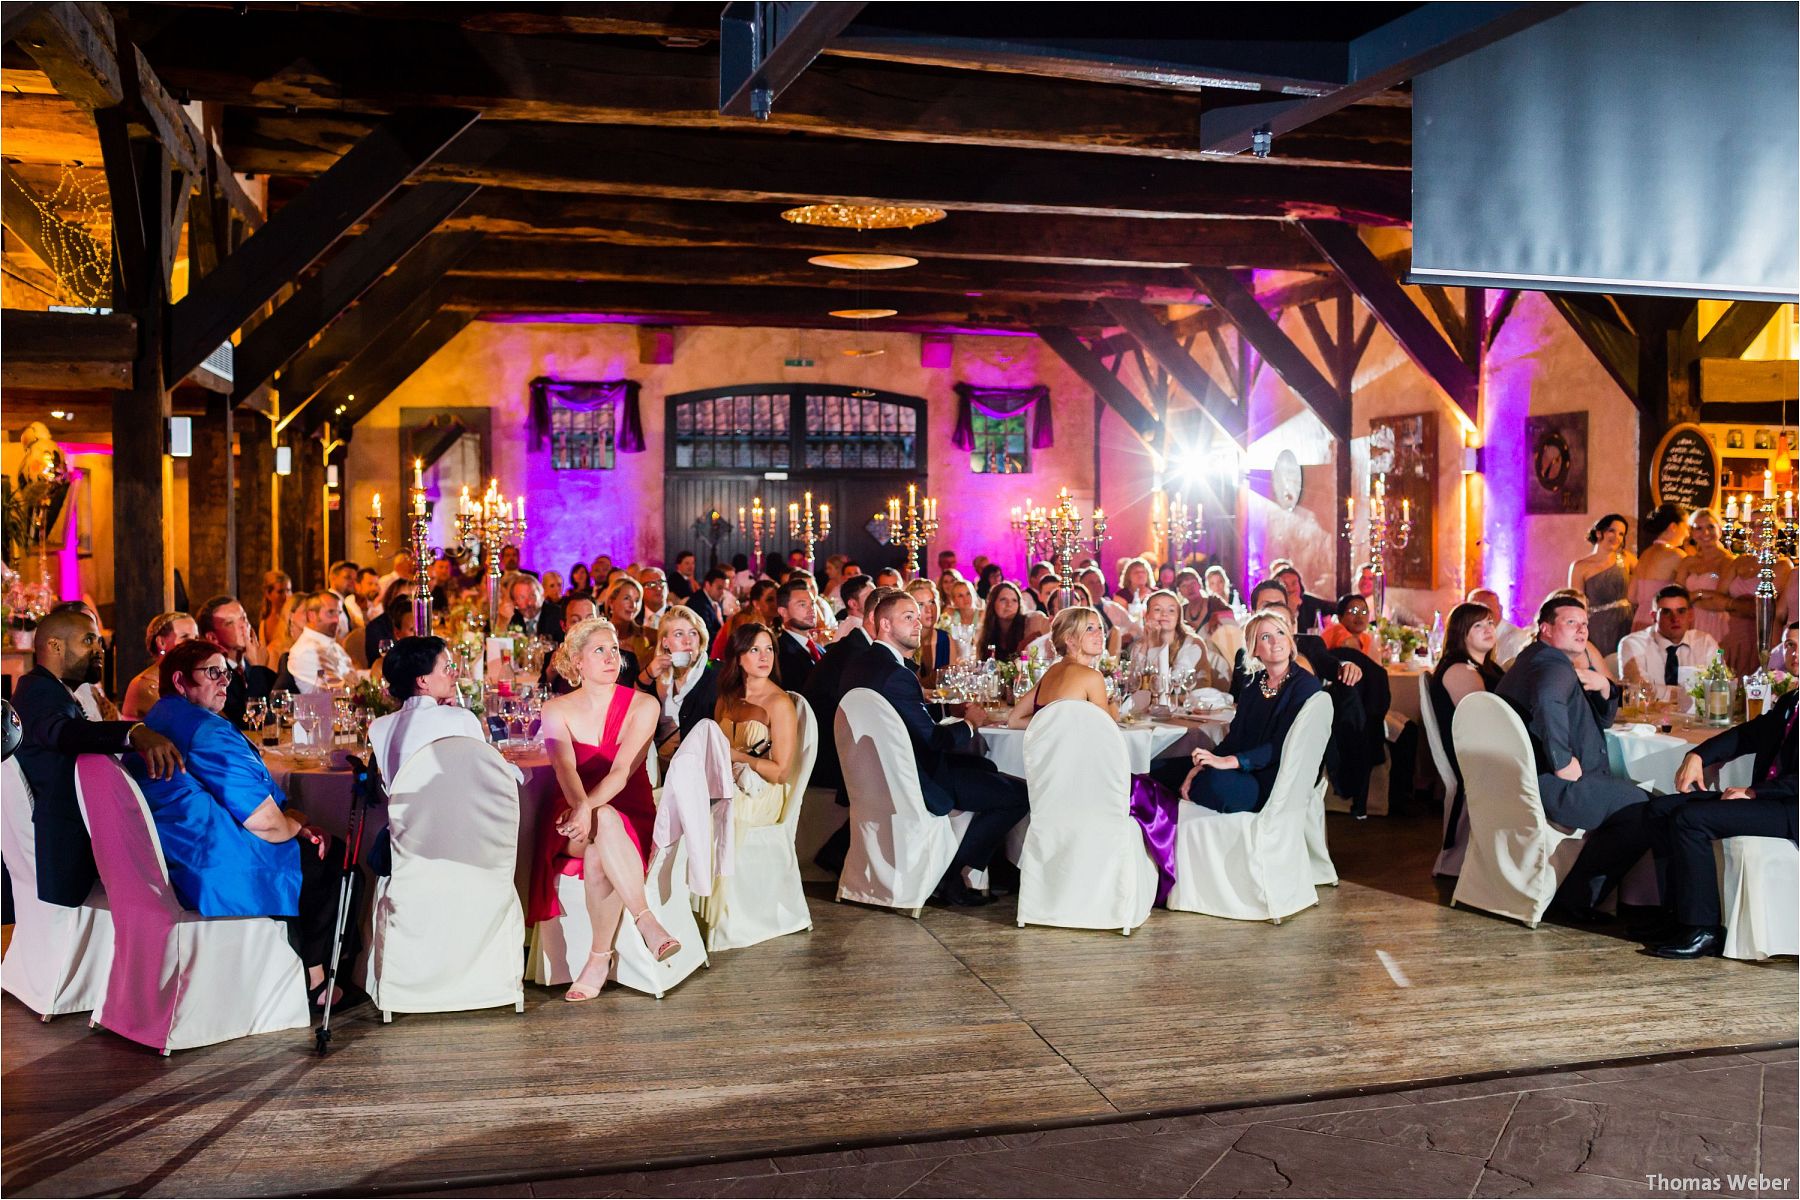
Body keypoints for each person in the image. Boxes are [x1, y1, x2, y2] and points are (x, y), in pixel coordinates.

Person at [127, 638, 351, 1004]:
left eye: (226, 673)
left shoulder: (159, 717)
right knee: (328, 854)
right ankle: (315, 979)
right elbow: (267, 825)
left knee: (309, 847)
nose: (224, 681)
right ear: (181, 681)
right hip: (211, 864)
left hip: (173, 851)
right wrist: (299, 821)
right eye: (212, 672)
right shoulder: (206, 730)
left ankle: (312, 972)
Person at [838, 591, 1029, 906]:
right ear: (884, 624)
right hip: (916, 781)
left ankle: (964, 873)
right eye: (908, 617)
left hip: (877, 779)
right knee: (1018, 795)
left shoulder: (861, 665)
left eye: (918, 617)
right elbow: (932, 741)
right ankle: (950, 872)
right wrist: (970, 722)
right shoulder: (896, 675)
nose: (918, 625)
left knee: (988, 769)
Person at [531, 618, 678, 1002]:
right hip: (569, 815)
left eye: (614, 649)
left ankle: (598, 958)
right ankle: (646, 922)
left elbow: (621, 772)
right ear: (577, 661)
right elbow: (564, 768)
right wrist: (580, 809)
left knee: (603, 841)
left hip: (629, 811)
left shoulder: (644, 704)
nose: (611, 657)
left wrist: (587, 808)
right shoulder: (554, 708)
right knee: (599, 826)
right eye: (599, 650)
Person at [14, 607, 185, 906]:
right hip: (73, 856)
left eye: (100, 642)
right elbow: (63, 732)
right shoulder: (39, 692)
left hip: (76, 845)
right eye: (89, 641)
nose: (99, 649)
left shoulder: (50, 691)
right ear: (55, 646)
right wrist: (134, 733)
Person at [1496, 595, 1655, 918]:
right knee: (1644, 808)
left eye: (1584, 624)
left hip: (1523, 780)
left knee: (1638, 801)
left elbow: (1597, 718)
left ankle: (1581, 897)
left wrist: (1605, 687)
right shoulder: (1551, 664)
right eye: (1571, 623)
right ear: (1546, 629)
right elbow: (1548, 702)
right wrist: (1562, 761)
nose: (1582, 631)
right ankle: (1576, 900)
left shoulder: (1536, 659)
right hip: (1553, 785)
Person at [1644, 686, 1797, 957]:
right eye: (1789, 646)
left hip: (1790, 809)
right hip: (1773, 800)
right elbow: (1749, 734)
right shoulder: (1791, 699)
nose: (1793, 654)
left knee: (1690, 820)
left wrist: (1754, 792)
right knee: (1660, 810)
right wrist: (1699, 755)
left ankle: (1703, 928)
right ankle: (1676, 915)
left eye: (1797, 646)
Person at [696, 623, 799, 932]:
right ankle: (683, 904)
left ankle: (721, 919)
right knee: (678, 801)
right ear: (737, 657)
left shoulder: (779, 703)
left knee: (722, 810)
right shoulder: (726, 697)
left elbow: (781, 771)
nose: (763, 656)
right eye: (754, 649)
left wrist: (740, 757)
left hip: (762, 791)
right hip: (727, 780)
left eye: (769, 649)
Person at [1177, 610, 1324, 813]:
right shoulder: (1253, 685)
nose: (1276, 641)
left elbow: (1283, 745)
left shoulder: (1305, 685)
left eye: (1281, 633)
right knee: (1177, 769)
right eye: (1265, 637)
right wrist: (1207, 762)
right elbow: (1235, 739)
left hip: (1276, 780)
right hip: (1246, 773)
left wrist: (1229, 762)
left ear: (1290, 641)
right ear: (1254, 649)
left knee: (1214, 782)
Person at [369, 635, 520, 785]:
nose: (455, 673)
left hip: (404, 809)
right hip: (460, 808)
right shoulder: (461, 718)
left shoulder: (378, 727)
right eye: (447, 668)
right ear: (423, 681)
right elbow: (492, 773)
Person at [1427, 602, 1506, 864]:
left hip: (1486, 749)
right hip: (1475, 756)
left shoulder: (1488, 667)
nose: (1488, 629)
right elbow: (1481, 721)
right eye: (1478, 625)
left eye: (1490, 623)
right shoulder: (1460, 669)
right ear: (1461, 632)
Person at [1617, 585, 1719, 705]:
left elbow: (1719, 688)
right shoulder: (1633, 643)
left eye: (1681, 611)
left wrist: (1659, 692)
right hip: (1650, 719)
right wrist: (1690, 695)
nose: (1675, 619)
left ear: (1690, 615)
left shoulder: (1705, 642)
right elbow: (1638, 689)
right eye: (1666, 612)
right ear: (1654, 617)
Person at [195, 594, 278, 728]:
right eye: (230, 622)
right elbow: (248, 722)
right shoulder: (213, 676)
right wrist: (258, 668)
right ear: (212, 637)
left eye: (243, 618)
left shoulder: (252, 664)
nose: (243, 626)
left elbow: (281, 709)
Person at [1128, 589, 1228, 689]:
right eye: (1157, 609)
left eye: (1171, 610)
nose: (1164, 614)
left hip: (1190, 702)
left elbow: (1166, 685)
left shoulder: (1192, 644)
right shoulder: (1140, 645)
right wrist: (1146, 643)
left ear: (1178, 617)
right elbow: (1133, 683)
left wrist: (1154, 645)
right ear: (1147, 616)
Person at [1567, 513, 1637, 652]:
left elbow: (1644, 583)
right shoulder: (1580, 566)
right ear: (1599, 533)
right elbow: (1576, 603)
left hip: (1626, 622)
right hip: (1598, 626)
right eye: (1612, 531)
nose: (1616, 537)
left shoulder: (1627, 559)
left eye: (1621, 534)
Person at [1678, 509, 1737, 660]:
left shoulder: (1728, 561)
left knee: (1715, 665)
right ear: (1691, 532)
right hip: (1690, 622)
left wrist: (1694, 595)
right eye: (1699, 528)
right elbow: (1677, 596)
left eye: (1711, 527)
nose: (1705, 533)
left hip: (1716, 623)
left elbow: (1721, 598)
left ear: (1720, 529)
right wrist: (1703, 596)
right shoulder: (1687, 562)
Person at [122, 611, 199, 719]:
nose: (195, 644)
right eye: (185, 637)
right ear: (161, 642)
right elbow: (181, 724)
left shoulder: (188, 678)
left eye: (196, 638)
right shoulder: (145, 685)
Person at [1629, 503, 1690, 632]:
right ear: (1673, 526)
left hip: (1639, 620)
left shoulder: (1645, 554)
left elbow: (1631, 596)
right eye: (1686, 527)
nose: (1687, 533)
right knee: (1718, 652)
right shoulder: (1677, 556)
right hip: (1662, 622)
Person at [287, 591, 355, 692]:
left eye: (339, 613)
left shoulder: (334, 646)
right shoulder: (305, 651)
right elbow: (337, 691)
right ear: (311, 615)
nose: (337, 620)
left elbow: (354, 678)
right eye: (331, 612)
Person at [774, 579, 824, 693]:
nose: (811, 610)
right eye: (802, 604)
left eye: (812, 603)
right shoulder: (781, 652)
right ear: (783, 612)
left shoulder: (817, 648)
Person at [1468, 587, 1532, 668]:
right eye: (1473, 610)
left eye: (1486, 608)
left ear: (1500, 609)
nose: (1479, 615)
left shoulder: (1515, 639)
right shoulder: (1472, 637)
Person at [904, 578, 953, 679]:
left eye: (932, 602)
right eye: (920, 604)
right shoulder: (904, 641)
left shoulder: (946, 639)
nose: (929, 610)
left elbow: (954, 682)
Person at [974, 581, 1031, 662]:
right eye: (1003, 600)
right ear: (993, 603)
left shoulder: (1027, 628)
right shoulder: (986, 633)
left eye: (1014, 600)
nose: (1009, 604)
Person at [1275, 566, 1333, 635]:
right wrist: (1291, 610)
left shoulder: (1310, 603)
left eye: (1294, 583)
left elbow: (1332, 609)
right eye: (1285, 585)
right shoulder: (1273, 608)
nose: (1290, 589)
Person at [939, 575, 983, 664]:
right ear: (953, 600)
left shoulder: (982, 614)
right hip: (955, 660)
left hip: (977, 660)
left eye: (968, 594)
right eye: (960, 596)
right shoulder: (949, 613)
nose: (966, 599)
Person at [829, 573, 876, 644]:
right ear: (853, 604)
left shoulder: (847, 625)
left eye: (876, 594)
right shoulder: (859, 630)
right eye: (870, 596)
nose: (877, 599)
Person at [689, 567, 729, 643]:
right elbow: (707, 635)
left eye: (724, 589)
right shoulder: (699, 604)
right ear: (707, 585)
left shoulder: (714, 598)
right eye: (719, 588)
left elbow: (717, 622)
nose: (722, 592)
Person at [260, 569, 295, 654]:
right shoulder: (265, 624)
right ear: (268, 594)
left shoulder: (296, 616)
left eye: (288, 590)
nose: (286, 596)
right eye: (280, 592)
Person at [328, 560, 366, 630]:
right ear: (333, 578)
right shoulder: (327, 602)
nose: (353, 582)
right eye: (348, 577)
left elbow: (361, 627)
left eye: (355, 579)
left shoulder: (343, 604)